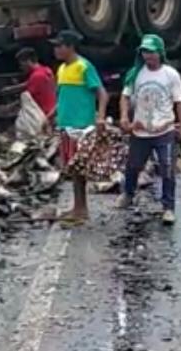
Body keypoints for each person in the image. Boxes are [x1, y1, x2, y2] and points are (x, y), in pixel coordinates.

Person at [118, 34, 181, 224]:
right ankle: (129, 193)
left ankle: (168, 207)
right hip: (140, 130)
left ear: (160, 53)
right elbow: (125, 96)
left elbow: (180, 102)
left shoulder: (170, 74)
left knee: (167, 169)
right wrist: (124, 117)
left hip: (164, 129)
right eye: (145, 52)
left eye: (152, 52)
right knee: (133, 165)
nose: (148, 56)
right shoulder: (136, 73)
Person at [53, 30, 108, 224]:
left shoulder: (84, 67)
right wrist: (50, 116)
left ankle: (81, 209)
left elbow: (102, 93)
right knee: (72, 169)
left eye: (59, 46)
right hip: (65, 126)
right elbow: (62, 98)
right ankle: (78, 207)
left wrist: (100, 118)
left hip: (81, 126)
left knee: (79, 169)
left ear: (70, 47)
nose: (56, 50)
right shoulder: (61, 69)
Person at [17, 47, 56, 120]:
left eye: (21, 64)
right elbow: (29, 83)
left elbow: (27, 99)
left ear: (28, 61)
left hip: (42, 115)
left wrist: (8, 108)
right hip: (52, 111)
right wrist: (11, 88)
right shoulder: (46, 70)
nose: (21, 68)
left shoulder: (36, 76)